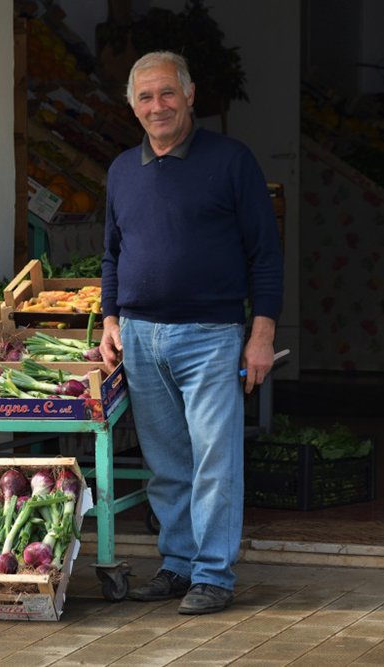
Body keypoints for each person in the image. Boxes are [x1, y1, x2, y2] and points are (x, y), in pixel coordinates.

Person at [99, 51, 283, 615]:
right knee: (169, 463)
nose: (158, 106)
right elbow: (111, 254)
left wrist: (260, 334)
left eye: (167, 93)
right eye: (146, 97)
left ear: (190, 94)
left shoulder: (231, 160)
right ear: (133, 106)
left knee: (214, 462)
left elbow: (266, 253)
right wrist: (109, 321)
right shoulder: (122, 170)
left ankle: (213, 575)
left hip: (210, 335)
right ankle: (177, 564)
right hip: (141, 337)